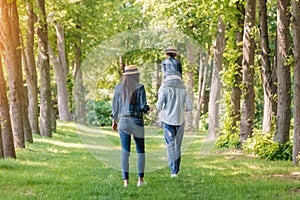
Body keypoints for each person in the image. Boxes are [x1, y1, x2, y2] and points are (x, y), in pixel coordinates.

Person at [111, 65, 150, 187]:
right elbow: (143, 107)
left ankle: (126, 182)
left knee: (125, 152)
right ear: (136, 75)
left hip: (123, 121)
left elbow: (115, 107)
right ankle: (140, 181)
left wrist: (114, 121)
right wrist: (150, 108)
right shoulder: (140, 87)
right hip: (137, 121)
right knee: (140, 151)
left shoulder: (118, 88)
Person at [156, 53, 193, 178]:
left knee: (170, 145)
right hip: (180, 120)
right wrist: (182, 108)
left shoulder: (165, 88)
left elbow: (158, 105)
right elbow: (190, 106)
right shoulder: (183, 89)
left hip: (167, 120)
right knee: (178, 146)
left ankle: (173, 172)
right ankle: (176, 170)